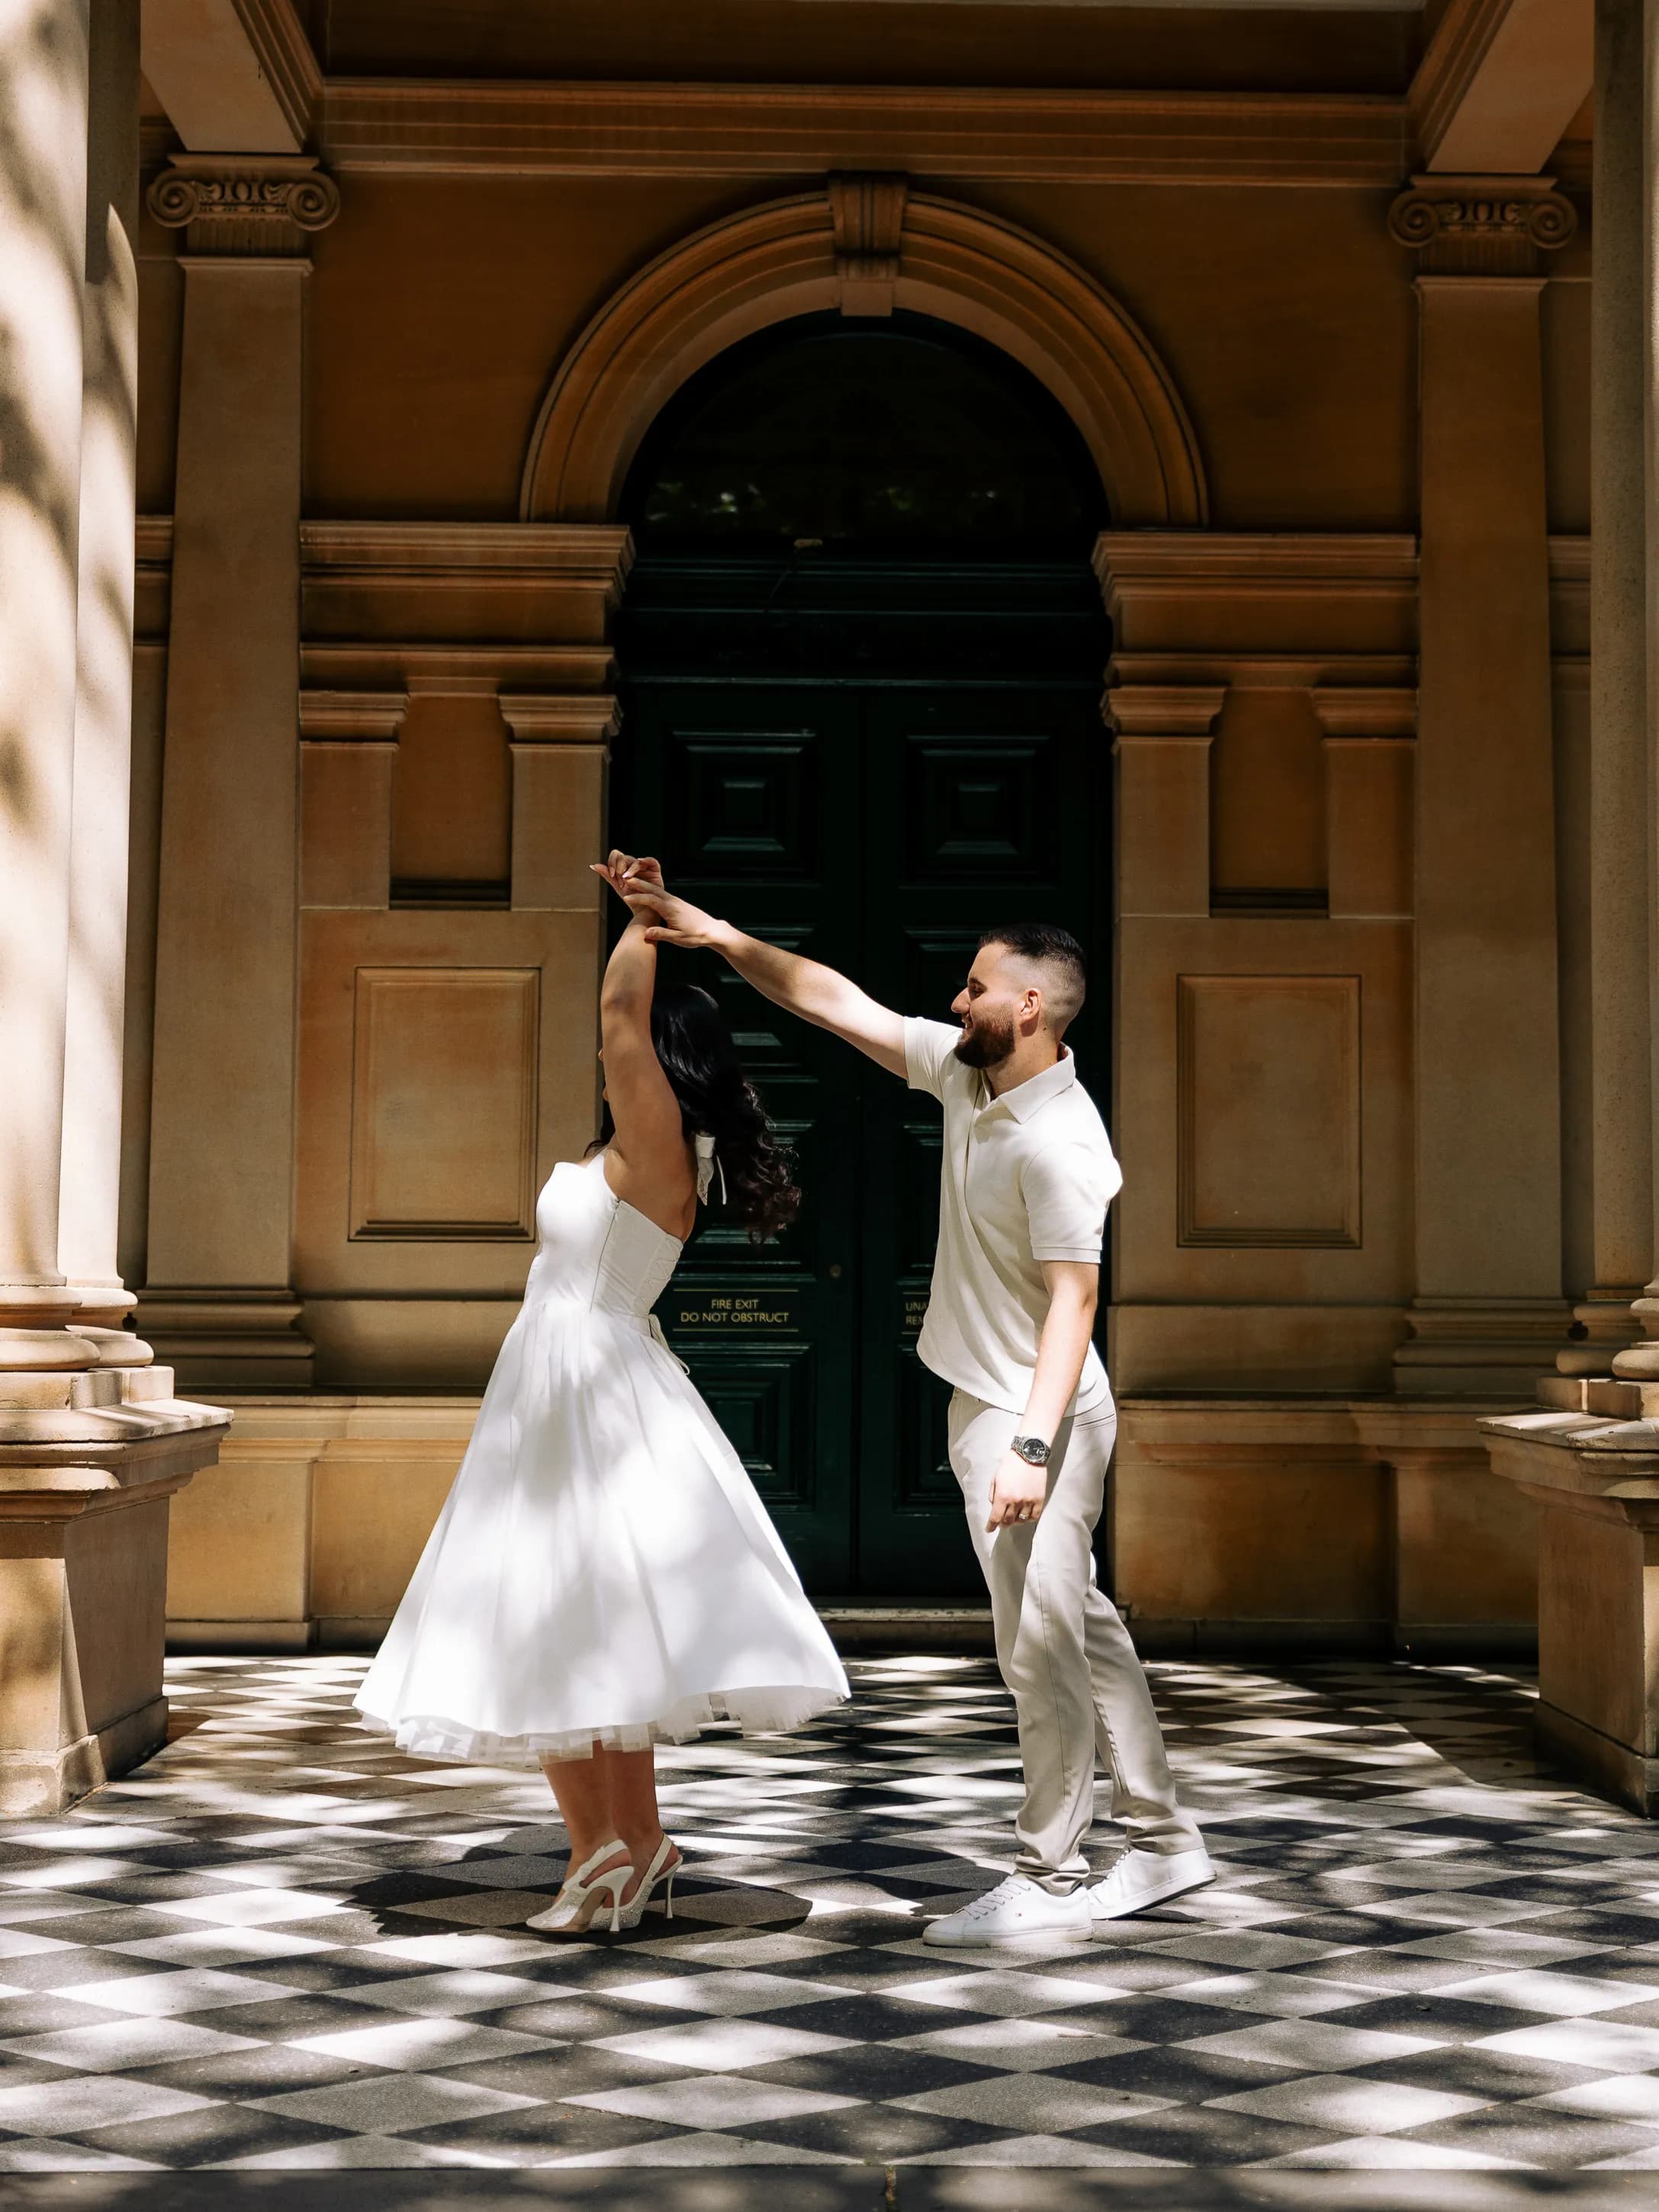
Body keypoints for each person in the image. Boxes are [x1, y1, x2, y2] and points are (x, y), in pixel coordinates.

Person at [619, 855, 1211, 1945]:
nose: (955, 1001)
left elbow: (1076, 1306)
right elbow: (835, 1000)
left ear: (1029, 1005)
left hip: (1040, 1415)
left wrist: (1031, 1449)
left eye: (977, 987)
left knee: (1036, 1643)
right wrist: (716, 933)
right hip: (988, 1405)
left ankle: (1052, 1875)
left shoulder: (1063, 1144)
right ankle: (1168, 1844)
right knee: (1079, 1627)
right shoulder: (967, 1076)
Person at [356, 856, 848, 1936]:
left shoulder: (654, 1139)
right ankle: (634, 1844)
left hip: (584, 1387)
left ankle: (603, 1854)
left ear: (663, 1064)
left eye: (619, 1049)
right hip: (574, 1380)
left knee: (550, 1622)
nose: (602, 1050)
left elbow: (622, 1008)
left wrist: (640, 922)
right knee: (590, 1630)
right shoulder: (650, 1150)